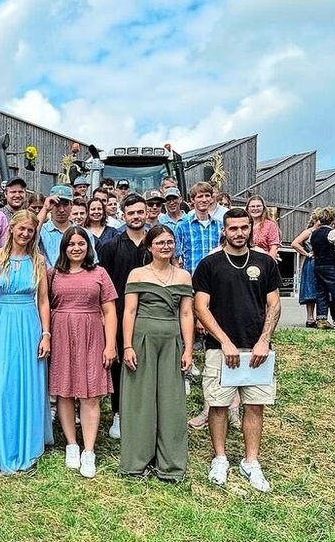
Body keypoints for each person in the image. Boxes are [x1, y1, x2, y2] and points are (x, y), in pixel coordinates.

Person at [193, 208, 282, 492]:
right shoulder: (210, 264)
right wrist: (224, 340)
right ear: (224, 230)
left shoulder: (265, 262)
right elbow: (201, 307)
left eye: (244, 227)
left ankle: (251, 461)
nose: (239, 233)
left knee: (254, 406)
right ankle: (220, 458)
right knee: (218, 406)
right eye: (233, 228)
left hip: (257, 350)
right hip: (220, 350)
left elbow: (274, 304)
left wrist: (264, 340)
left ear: (251, 228)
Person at [118, 223, 193, 480]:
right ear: (149, 247)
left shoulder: (183, 276)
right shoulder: (137, 274)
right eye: (160, 242)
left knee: (171, 401)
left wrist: (188, 349)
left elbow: (186, 313)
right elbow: (129, 312)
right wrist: (127, 345)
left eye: (169, 242)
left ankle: (170, 465)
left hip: (171, 341)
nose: (165, 246)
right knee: (140, 400)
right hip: (142, 340)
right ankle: (136, 461)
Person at [0, 210, 51, 474]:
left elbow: (43, 300)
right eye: (22, 228)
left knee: (27, 381)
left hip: (28, 324)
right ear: (11, 228)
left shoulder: (38, 260)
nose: (25, 234)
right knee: (1, 382)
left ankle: (27, 442)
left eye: (30, 230)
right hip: (1, 323)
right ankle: (0, 441)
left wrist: (46, 334)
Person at [48, 228, 117, 478]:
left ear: (88, 247)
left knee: (90, 394)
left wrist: (110, 344)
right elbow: (44, 305)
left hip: (91, 335)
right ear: (63, 248)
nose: (76, 248)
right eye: (71, 244)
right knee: (65, 391)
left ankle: (88, 450)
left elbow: (110, 311)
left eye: (81, 243)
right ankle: (71, 444)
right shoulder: (53, 274)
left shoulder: (99, 273)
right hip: (62, 334)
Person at [99, 193, 151, 441]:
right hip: (119, 314)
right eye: (131, 213)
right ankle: (119, 413)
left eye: (140, 212)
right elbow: (104, 285)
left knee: (147, 363)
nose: (136, 216)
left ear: (146, 213)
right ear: (123, 215)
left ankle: (144, 413)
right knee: (119, 364)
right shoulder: (111, 246)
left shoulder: (155, 244)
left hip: (150, 313)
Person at [174, 183, 224, 273]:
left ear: (211, 198)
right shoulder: (182, 226)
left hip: (215, 276)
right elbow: (175, 258)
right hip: (191, 276)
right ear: (192, 199)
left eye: (207, 196)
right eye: (200, 196)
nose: (204, 200)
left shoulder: (219, 226)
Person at [290, 212, 320, 327]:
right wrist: (307, 254)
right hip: (312, 262)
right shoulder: (309, 231)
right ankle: (310, 317)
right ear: (315, 220)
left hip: (322, 261)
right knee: (310, 289)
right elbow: (295, 243)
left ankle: (320, 317)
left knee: (320, 290)